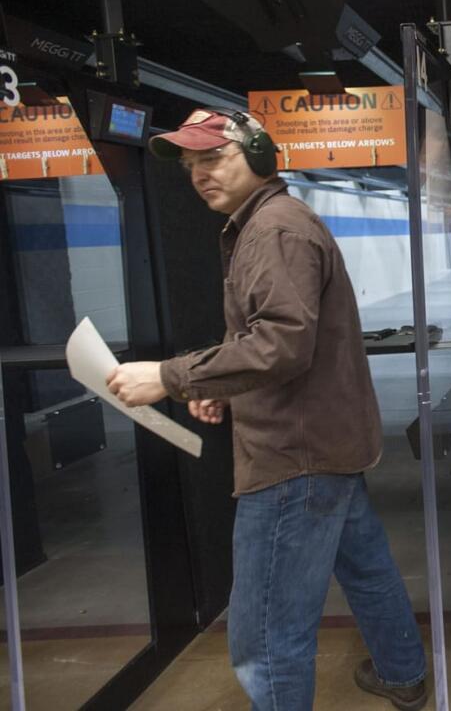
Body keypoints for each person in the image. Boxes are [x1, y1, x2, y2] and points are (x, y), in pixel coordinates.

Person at [106, 108, 429, 711]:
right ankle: (404, 673)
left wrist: (169, 377)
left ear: (256, 155)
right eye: (192, 165)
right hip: (323, 442)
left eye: (214, 158)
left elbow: (280, 343)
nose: (200, 174)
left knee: (264, 634)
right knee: (367, 570)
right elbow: (268, 337)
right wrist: (219, 384)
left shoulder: (274, 231)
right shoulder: (265, 223)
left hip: (292, 457)